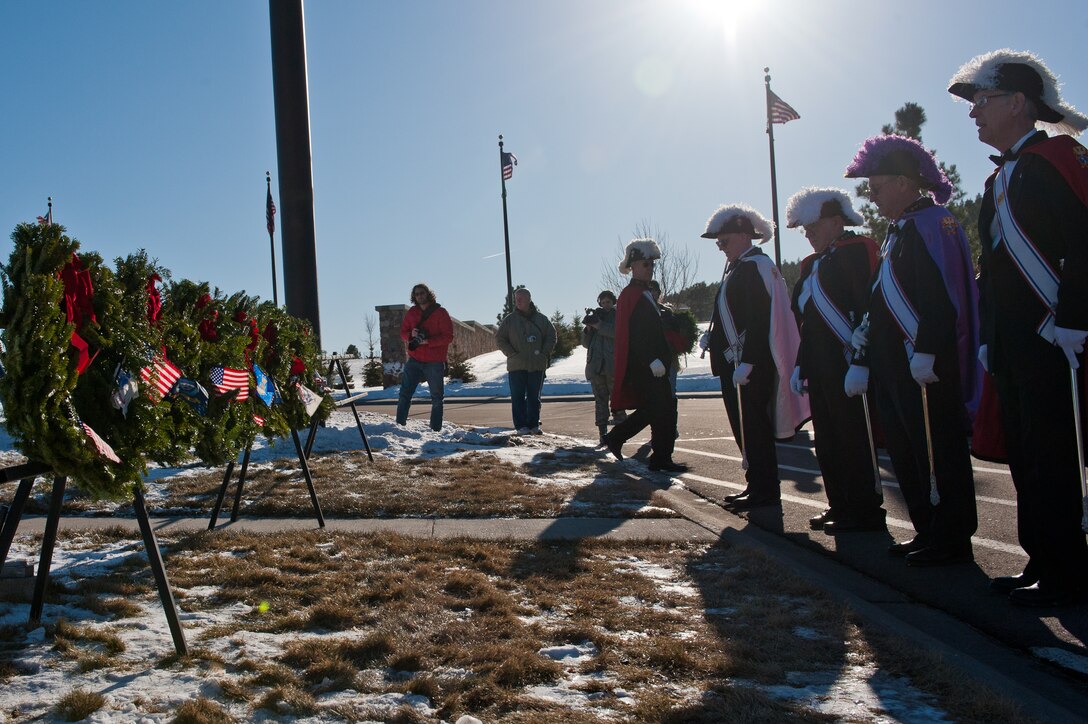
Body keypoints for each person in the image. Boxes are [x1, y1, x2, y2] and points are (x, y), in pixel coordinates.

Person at [948, 50, 1088, 605]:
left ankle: (1069, 573)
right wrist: (990, 339)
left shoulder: (1060, 159)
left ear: (1018, 103)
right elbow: (997, 268)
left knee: (1055, 457)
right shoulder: (1000, 179)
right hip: (1014, 342)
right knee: (1027, 458)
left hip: (1058, 337)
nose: (974, 113)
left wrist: (1076, 319)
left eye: (982, 102)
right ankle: (1043, 561)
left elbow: (1082, 245)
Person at [843, 135, 981, 566]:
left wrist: (928, 350)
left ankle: (951, 537)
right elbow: (881, 301)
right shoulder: (897, 232)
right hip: (894, 365)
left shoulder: (933, 223)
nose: (872, 195)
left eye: (877, 186)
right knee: (906, 450)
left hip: (924, 364)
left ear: (904, 183)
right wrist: (865, 356)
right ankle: (927, 529)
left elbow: (945, 295)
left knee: (937, 451)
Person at [786, 187, 886, 533]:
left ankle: (865, 509)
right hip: (822, 366)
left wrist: (862, 359)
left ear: (834, 221)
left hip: (848, 364)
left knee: (853, 438)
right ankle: (840, 504)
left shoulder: (859, 250)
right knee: (827, 441)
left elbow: (869, 308)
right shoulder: (812, 264)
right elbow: (809, 322)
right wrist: (802, 362)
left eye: (813, 226)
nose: (808, 234)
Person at [699, 204, 808, 509]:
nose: (721, 248)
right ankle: (756, 485)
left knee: (755, 429)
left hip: (748, 366)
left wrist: (749, 361)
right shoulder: (739, 267)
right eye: (719, 243)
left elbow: (761, 319)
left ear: (745, 236)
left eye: (725, 241)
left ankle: (765, 490)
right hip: (735, 364)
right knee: (745, 429)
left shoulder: (755, 266)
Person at [603, 239, 685, 472]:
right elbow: (637, 334)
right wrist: (651, 359)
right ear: (634, 267)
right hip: (646, 365)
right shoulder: (633, 294)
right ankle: (626, 442)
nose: (650, 268)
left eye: (651, 264)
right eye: (645, 264)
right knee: (659, 408)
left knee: (663, 408)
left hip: (654, 363)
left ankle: (660, 457)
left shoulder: (644, 293)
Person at [496, 287, 556, 434]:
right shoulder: (510, 320)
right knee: (517, 397)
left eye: (521, 298)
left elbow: (552, 336)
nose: (518, 301)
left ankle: (534, 425)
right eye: (516, 299)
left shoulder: (542, 319)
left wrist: (543, 353)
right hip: (517, 365)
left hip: (537, 365)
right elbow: (500, 338)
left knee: (534, 397)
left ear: (529, 299)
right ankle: (521, 426)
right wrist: (511, 353)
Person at [395, 283, 453, 431]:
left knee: (437, 398)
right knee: (404, 394)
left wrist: (429, 341)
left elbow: (448, 337)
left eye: (422, 293)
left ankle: (435, 430)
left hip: (434, 361)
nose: (420, 296)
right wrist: (411, 335)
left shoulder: (440, 312)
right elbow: (403, 333)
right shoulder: (412, 313)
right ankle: (399, 427)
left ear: (428, 294)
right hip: (415, 360)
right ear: (414, 297)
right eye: (417, 294)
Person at [582, 289, 625, 445]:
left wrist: (600, 325)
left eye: (608, 302)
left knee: (617, 401)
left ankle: (620, 434)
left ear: (613, 302)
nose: (606, 304)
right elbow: (585, 343)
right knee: (600, 402)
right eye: (603, 302)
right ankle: (602, 434)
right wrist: (588, 328)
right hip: (596, 367)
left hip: (612, 366)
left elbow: (617, 333)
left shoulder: (618, 316)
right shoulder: (596, 316)